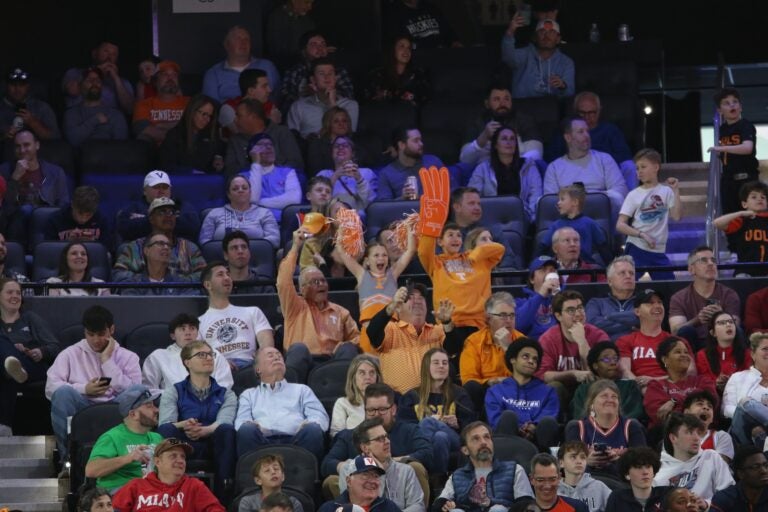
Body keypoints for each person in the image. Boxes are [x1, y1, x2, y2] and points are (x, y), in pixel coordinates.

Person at [45, 306, 141, 460]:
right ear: (85, 332)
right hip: (82, 406)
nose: (96, 340)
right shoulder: (69, 353)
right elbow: (51, 387)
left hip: (116, 407)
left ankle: (134, 454)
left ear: (112, 330)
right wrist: (84, 389)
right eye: (91, 334)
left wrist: (106, 360)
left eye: (101, 334)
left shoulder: (129, 357)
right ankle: (67, 458)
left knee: (139, 391)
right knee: (63, 393)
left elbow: (134, 389)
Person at [277, 228, 360, 383]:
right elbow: (283, 282)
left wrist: (344, 344)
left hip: (332, 362)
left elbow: (357, 338)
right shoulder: (294, 306)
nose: (321, 284)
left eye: (323, 280)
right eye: (315, 282)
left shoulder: (341, 312)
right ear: (302, 289)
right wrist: (296, 247)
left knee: (348, 349)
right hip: (304, 361)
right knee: (298, 349)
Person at [157, 340, 237, 500]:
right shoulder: (173, 391)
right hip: (183, 443)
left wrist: (205, 430)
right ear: (187, 362)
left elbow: (225, 421)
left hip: (213, 443)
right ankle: (170, 489)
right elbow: (165, 422)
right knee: (166, 430)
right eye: (201, 355)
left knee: (227, 431)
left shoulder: (226, 394)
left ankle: (223, 494)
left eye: (210, 354)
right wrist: (184, 424)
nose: (208, 358)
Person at [321, 383, 431, 497]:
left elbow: (427, 454)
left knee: (416, 467)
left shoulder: (410, 430)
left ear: (393, 409)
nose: (376, 414)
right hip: (362, 487)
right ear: (365, 410)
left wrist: (389, 462)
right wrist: (356, 466)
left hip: (400, 483)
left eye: (382, 409)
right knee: (331, 481)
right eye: (371, 410)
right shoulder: (349, 436)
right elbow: (327, 464)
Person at [235, 347, 329, 460]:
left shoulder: (302, 390)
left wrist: (309, 423)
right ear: (258, 369)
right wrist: (252, 425)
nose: (276, 357)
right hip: (261, 441)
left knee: (313, 429)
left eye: (279, 355)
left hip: (297, 440)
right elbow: (240, 421)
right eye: (270, 355)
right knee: (246, 430)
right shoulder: (249, 394)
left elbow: (320, 416)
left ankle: (310, 475)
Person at [333, 227, 415, 352]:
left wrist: (410, 229)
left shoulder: (392, 274)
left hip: (392, 333)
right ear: (367, 261)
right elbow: (341, 251)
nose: (381, 258)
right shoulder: (361, 275)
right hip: (368, 334)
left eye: (384, 255)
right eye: (376, 255)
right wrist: (342, 230)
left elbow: (410, 251)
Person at [419, 221, 504, 341]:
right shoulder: (436, 263)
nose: (455, 239)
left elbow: (500, 249)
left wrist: (476, 254)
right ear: (440, 242)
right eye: (450, 235)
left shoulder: (478, 260)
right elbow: (423, 251)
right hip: (450, 322)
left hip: (479, 322)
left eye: (459, 235)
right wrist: (430, 225)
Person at [399, 348, 476, 478]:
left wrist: (458, 424)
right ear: (426, 367)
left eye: (445, 363)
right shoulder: (412, 396)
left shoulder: (459, 394)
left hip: (456, 441)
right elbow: (405, 427)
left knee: (429, 422)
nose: (441, 366)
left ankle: (420, 456)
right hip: (432, 442)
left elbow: (472, 426)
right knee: (440, 437)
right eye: (436, 363)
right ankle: (438, 479)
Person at [367, 284, 455, 393]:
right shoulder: (390, 329)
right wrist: (391, 306)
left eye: (421, 298)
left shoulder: (437, 331)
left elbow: (453, 348)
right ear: (398, 308)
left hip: (433, 401)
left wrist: (447, 322)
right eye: (411, 297)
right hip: (399, 402)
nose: (417, 301)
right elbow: (372, 331)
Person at [0, 277, 60, 436]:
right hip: (12, 372)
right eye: (9, 292)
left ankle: (5, 425)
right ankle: (13, 368)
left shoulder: (30, 318)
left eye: (18, 293)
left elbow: (54, 346)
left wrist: (39, 352)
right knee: (7, 363)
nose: (15, 296)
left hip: (33, 366)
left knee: (9, 369)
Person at [432, 421, 534, 512]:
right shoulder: (457, 476)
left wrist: (490, 502)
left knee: (498, 509)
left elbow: (527, 505)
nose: (484, 442)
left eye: (487, 437)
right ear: (465, 450)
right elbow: (438, 504)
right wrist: (446, 505)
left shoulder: (515, 470)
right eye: (476, 439)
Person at [616, 148, 682, 280]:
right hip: (637, 247)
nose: (639, 171)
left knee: (668, 286)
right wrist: (642, 235)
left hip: (657, 250)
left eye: (643, 167)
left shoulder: (667, 191)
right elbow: (620, 225)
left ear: (656, 167)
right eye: (637, 168)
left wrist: (675, 190)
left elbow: (677, 216)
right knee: (626, 283)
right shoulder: (633, 194)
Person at [547, 92, 637, 187]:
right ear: (575, 111)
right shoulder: (565, 130)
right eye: (582, 113)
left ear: (599, 111)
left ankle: (631, 201)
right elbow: (551, 156)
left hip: (605, 172)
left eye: (592, 112)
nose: (587, 117)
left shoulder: (610, 130)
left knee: (629, 165)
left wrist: (597, 159)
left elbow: (625, 155)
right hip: (571, 173)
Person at [84, 384, 163, 492]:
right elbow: (91, 470)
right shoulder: (112, 437)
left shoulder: (157, 437)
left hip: (151, 490)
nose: (156, 410)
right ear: (133, 414)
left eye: (154, 405)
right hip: (120, 491)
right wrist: (128, 458)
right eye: (149, 406)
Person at [111, 437, 225, 512]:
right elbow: (113, 509)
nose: (180, 460)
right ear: (157, 462)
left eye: (183, 457)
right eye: (173, 456)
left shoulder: (194, 486)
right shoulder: (136, 485)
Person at [544, 118, 628, 217]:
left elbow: (620, 191)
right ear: (568, 137)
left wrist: (593, 198)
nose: (587, 136)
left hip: (601, 214)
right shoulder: (554, 167)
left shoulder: (604, 159)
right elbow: (549, 201)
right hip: (568, 219)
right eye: (581, 132)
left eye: (587, 131)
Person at [485, 339, 560, 450]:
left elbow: (550, 414)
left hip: (538, 441)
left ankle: (545, 462)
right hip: (507, 442)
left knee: (548, 422)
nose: (531, 361)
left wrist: (534, 426)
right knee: (508, 416)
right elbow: (495, 421)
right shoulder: (496, 391)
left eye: (535, 359)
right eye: (525, 357)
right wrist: (519, 427)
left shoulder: (548, 391)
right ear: (513, 359)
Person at [336, 418, 425, 511]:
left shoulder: (406, 471)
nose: (387, 441)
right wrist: (380, 475)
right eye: (380, 439)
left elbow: (418, 507)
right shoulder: (348, 470)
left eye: (386, 436)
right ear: (365, 447)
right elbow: (353, 507)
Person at [198, 262, 274, 370]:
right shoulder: (199, 323)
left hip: (250, 366)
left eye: (228, 274)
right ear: (208, 285)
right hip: (218, 369)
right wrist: (218, 363)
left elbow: (267, 344)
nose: (227, 278)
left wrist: (261, 358)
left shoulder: (252, 311)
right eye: (220, 274)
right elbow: (198, 354)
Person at [536, 290, 609, 401]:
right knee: (554, 387)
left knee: (596, 386)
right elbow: (543, 375)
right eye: (571, 310)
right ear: (558, 315)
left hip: (591, 393)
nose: (578, 314)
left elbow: (602, 375)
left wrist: (582, 342)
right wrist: (572, 374)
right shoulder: (548, 339)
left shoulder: (599, 336)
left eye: (580, 308)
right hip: (563, 392)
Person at [113, 197, 206, 283]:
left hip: (181, 296)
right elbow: (118, 275)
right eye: (162, 212)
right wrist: (149, 281)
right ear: (151, 219)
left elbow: (205, 275)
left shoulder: (190, 247)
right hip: (143, 296)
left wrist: (175, 283)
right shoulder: (134, 247)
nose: (168, 216)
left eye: (172, 212)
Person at [565, 379, 647, 477]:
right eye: (604, 396)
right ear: (592, 403)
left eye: (614, 397)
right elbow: (569, 465)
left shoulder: (631, 426)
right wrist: (586, 461)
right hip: (587, 482)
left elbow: (643, 463)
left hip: (620, 482)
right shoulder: (577, 427)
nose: (610, 400)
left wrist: (619, 460)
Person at [460, 292, 526, 412]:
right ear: (488, 319)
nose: (509, 320)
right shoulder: (474, 341)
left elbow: (527, 376)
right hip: (484, 393)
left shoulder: (523, 341)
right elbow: (468, 379)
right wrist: (491, 381)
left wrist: (508, 349)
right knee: (471, 388)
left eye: (512, 315)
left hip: (514, 393)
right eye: (503, 315)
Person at [0, 129, 69, 242]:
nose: (22, 150)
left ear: (37, 145)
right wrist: (14, 178)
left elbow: (63, 205)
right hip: (14, 226)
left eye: (26, 145)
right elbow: (5, 207)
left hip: (46, 224)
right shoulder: (4, 171)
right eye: (18, 146)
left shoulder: (55, 172)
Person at [669, 246, 741, 352]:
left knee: (738, 331)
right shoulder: (679, 298)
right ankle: (690, 367)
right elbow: (675, 331)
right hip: (693, 346)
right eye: (703, 260)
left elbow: (736, 326)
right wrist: (697, 320)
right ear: (691, 269)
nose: (711, 263)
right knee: (686, 330)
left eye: (713, 260)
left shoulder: (729, 294)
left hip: (722, 343)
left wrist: (720, 316)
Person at [653, 413, 734, 503]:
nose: (696, 438)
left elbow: (730, 495)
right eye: (689, 432)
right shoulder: (658, 473)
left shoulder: (711, 457)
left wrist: (706, 504)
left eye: (698, 433)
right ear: (673, 438)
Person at [468, 125, 542, 222]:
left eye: (512, 139)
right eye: (504, 139)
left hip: (520, 215)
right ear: (495, 145)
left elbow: (536, 195)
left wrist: (532, 218)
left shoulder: (529, 166)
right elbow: (472, 195)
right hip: (491, 215)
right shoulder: (483, 168)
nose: (509, 142)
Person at [143, 313, 233, 392]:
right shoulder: (158, 356)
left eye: (192, 328)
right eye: (182, 329)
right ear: (173, 336)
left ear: (197, 333)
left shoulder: (213, 354)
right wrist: (173, 397)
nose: (188, 333)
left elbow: (225, 383)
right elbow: (148, 389)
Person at [643, 336, 717, 431]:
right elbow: (662, 415)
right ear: (665, 359)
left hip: (702, 431)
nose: (684, 355)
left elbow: (710, 401)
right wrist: (693, 407)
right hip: (668, 435)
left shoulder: (702, 381)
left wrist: (674, 401)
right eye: (678, 352)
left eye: (686, 352)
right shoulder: (656, 386)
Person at [460, 85, 543, 166]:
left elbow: (536, 153)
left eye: (506, 99)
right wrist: (483, 137)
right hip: (486, 173)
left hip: (519, 171)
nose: (502, 104)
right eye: (496, 99)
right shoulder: (477, 122)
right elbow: (465, 160)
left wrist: (508, 168)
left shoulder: (524, 120)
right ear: (487, 104)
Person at [708, 88, 759, 216]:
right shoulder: (722, 129)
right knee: (730, 219)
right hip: (728, 181)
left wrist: (721, 148)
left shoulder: (745, 125)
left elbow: (747, 148)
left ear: (740, 107)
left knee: (750, 219)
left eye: (735, 102)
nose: (732, 105)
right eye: (726, 103)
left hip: (747, 180)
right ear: (720, 111)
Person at [115, 170, 201, 243]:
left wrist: (154, 221)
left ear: (170, 190)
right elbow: (124, 230)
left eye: (165, 187)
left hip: (176, 246)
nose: (161, 191)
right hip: (142, 247)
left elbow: (193, 228)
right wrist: (166, 221)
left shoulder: (182, 206)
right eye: (156, 187)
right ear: (145, 191)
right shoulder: (133, 208)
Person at [537, 183, 612, 265]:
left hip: (585, 269)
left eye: (562, 199)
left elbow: (603, 248)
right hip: (561, 268)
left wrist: (611, 268)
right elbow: (542, 247)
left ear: (575, 202)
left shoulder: (590, 224)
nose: (558, 203)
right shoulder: (556, 225)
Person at [202, 25, 280, 104]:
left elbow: (278, 99)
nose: (243, 42)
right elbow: (211, 108)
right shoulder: (213, 74)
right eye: (238, 39)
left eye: (247, 39)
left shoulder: (267, 66)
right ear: (227, 45)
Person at [280, 31, 355, 111]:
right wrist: (306, 95)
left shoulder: (338, 71)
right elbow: (285, 100)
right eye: (313, 44)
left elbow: (349, 96)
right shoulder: (295, 71)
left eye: (323, 44)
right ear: (303, 51)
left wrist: (323, 94)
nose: (320, 48)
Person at [225, 98, 304, 174]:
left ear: (253, 117)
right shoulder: (235, 141)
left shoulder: (282, 133)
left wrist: (269, 170)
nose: (235, 120)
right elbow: (230, 171)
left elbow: (296, 164)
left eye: (238, 116)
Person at [617, 289, 676, 389]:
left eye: (659, 302)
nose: (657, 306)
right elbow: (624, 371)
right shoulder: (625, 341)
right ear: (637, 311)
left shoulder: (676, 341)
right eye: (650, 303)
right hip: (638, 391)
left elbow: (688, 372)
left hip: (671, 389)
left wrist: (654, 381)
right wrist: (642, 389)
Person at [570, 342, 645, 421]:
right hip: (591, 429)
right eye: (606, 359)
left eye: (615, 358)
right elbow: (579, 415)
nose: (613, 363)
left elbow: (634, 413)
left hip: (622, 429)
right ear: (595, 365)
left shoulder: (629, 386)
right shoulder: (584, 389)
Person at [501, 17, 574, 99]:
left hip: (552, 108)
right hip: (523, 106)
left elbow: (570, 93)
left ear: (558, 39)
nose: (546, 35)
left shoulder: (566, 62)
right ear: (534, 38)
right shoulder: (524, 54)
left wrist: (562, 86)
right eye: (542, 31)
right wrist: (510, 32)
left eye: (551, 32)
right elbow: (507, 57)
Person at [239, 133, 303, 223]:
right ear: (251, 151)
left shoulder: (288, 172)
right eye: (262, 144)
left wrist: (259, 203)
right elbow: (253, 198)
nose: (269, 147)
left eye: (271, 144)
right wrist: (256, 164)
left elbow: (294, 200)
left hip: (283, 222)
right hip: (255, 223)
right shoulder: (242, 177)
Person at [287, 58, 359, 138]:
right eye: (321, 73)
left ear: (335, 78)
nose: (327, 77)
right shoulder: (298, 106)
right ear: (313, 80)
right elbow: (292, 139)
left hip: (339, 149)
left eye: (330, 73)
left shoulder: (350, 105)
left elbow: (348, 137)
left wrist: (332, 104)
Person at [199, 175, 280, 247]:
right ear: (228, 194)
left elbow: (274, 241)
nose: (240, 190)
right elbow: (204, 242)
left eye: (244, 188)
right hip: (222, 258)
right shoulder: (214, 213)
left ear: (250, 192)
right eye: (235, 189)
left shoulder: (265, 213)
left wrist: (245, 247)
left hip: (256, 258)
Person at [449, 187, 517, 269]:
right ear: (457, 207)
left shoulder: (492, 231)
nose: (477, 208)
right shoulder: (445, 234)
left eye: (478, 204)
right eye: (471, 203)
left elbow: (508, 260)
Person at [158, 94, 225, 174]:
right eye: (203, 114)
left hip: (206, 182)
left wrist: (218, 159)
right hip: (181, 182)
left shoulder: (210, 136)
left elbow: (219, 152)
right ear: (192, 111)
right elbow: (166, 166)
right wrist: (190, 172)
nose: (207, 119)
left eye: (209, 116)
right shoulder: (174, 135)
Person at [63, 41, 135, 114]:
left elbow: (130, 110)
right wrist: (96, 71)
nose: (109, 57)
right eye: (106, 51)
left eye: (114, 54)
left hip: (109, 122)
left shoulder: (123, 82)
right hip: (80, 120)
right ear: (94, 54)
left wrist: (116, 79)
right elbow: (72, 91)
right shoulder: (74, 72)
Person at [722, 332, 768, 446]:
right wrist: (752, 416)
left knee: (758, 432)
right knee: (746, 403)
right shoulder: (738, 377)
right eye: (765, 349)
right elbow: (726, 409)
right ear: (753, 354)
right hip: (741, 431)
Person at [63, 66, 128, 147]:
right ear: (80, 86)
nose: (94, 83)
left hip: (109, 158)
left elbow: (122, 148)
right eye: (89, 80)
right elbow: (73, 140)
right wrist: (95, 120)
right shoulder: (72, 113)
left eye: (98, 80)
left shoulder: (115, 115)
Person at [713, 180, 768, 275]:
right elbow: (717, 223)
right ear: (744, 204)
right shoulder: (741, 220)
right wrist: (741, 213)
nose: (759, 199)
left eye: (763, 197)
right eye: (754, 197)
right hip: (745, 269)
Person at [117, 232, 198, 296]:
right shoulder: (133, 284)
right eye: (160, 243)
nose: (166, 247)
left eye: (169, 245)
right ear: (146, 251)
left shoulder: (183, 284)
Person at [377, 128, 445, 200]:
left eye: (420, 140)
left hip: (435, 209)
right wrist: (402, 199)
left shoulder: (433, 163)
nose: (421, 144)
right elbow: (383, 207)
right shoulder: (386, 174)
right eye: (416, 141)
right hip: (403, 211)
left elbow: (452, 192)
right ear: (401, 145)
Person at [316, 136, 379, 214]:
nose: (340, 147)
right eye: (336, 146)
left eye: (345, 145)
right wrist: (335, 176)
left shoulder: (367, 173)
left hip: (358, 217)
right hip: (330, 217)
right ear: (332, 153)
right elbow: (318, 201)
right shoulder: (323, 174)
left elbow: (371, 203)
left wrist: (359, 179)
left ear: (353, 153)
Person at [132, 60, 190, 145]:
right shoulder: (143, 105)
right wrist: (182, 125)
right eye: (165, 74)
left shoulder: (190, 102)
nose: (170, 78)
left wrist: (160, 125)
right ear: (155, 81)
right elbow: (143, 130)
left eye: (174, 75)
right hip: (155, 153)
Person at [318, 455, 401, 512]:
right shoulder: (330, 509)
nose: (372, 481)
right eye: (365, 475)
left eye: (376, 476)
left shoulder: (389, 508)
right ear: (349, 481)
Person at [585, 256, 639, 341]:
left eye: (631, 273)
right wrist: (631, 323)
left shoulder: (644, 302)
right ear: (609, 281)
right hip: (605, 351)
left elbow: (646, 322)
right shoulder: (596, 303)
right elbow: (591, 326)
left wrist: (607, 317)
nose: (628, 276)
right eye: (622, 273)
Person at [365, 35, 430, 106]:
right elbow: (371, 100)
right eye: (402, 46)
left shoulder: (418, 75)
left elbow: (425, 100)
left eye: (409, 48)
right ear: (393, 50)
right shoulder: (377, 75)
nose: (406, 51)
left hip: (410, 115)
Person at [696, 311, 750, 392]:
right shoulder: (702, 355)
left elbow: (749, 380)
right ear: (713, 332)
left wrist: (732, 382)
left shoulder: (747, 353)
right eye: (721, 323)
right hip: (713, 396)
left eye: (731, 321)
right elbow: (703, 381)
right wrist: (716, 383)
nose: (728, 325)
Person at [0, 67, 60, 140]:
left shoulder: (41, 107)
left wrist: (32, 122)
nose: (17, 88)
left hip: (38, 150)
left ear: (27, 86)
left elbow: (55, 138)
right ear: (6, 86)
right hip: (6, 149)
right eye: (13, 84)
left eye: (21, 85)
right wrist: (4, 137)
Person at [603, 447, 669, 512]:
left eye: (648, 467)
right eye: (639, 467)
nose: (645, 472)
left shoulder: (667, 494)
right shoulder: (617, 498)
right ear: (627, 475)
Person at [330, 354, 382, 437]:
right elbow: (336, 435)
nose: (368, 377)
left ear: (377, 377)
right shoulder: (342, 403)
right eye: (362, 373)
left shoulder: (386, 402)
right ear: (353, 377)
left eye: (372, 373)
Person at [44, 185, 111, 247]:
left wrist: (93, 243)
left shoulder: (101, 220)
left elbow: (107, 250)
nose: (83, 219)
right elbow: (48, 252)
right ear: (72, 205)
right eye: (80, 213)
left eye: (88, 215)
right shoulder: (54, 220)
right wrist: (67, 242)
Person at [219, 68, 281, 133]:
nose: (269, 90)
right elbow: (243, 137)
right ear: (251, 91)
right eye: (264, 86)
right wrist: (270, 124)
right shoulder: (229, 109)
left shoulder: (271, 107)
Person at [556, 441, 611, 512]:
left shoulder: (599, 487)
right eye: (573, 457)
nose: (579, 461)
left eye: (582, 457)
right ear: (561, 463)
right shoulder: (555, 490)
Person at [237, 454, 304, 512]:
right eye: (267, 470)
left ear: (283, 476)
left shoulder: (294, 503)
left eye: (276, 469)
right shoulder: (248, 502)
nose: (273, 472)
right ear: (258, 480)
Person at [709, 445, 768, 511]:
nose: (764, 471)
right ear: (741, 474)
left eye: (766, 465)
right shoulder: (725, 499)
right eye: (756, 467)